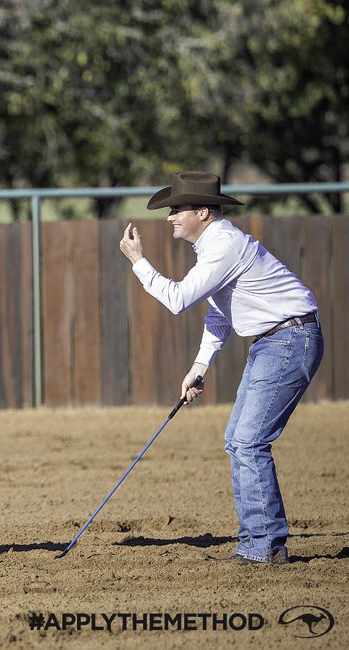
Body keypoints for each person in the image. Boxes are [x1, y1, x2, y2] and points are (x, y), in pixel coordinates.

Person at [117, 170, 322, 565]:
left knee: (247, 442)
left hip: (288, 340)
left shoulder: (223, 245)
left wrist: (139, 262)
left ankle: (263, 545)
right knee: (239, 440)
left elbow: (177, 300)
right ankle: (260, 541)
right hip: (278, 341)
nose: (170, 217)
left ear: (204, 212)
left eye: (178, 209)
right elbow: (220, 316)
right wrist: (199, 367)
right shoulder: (217, 246)